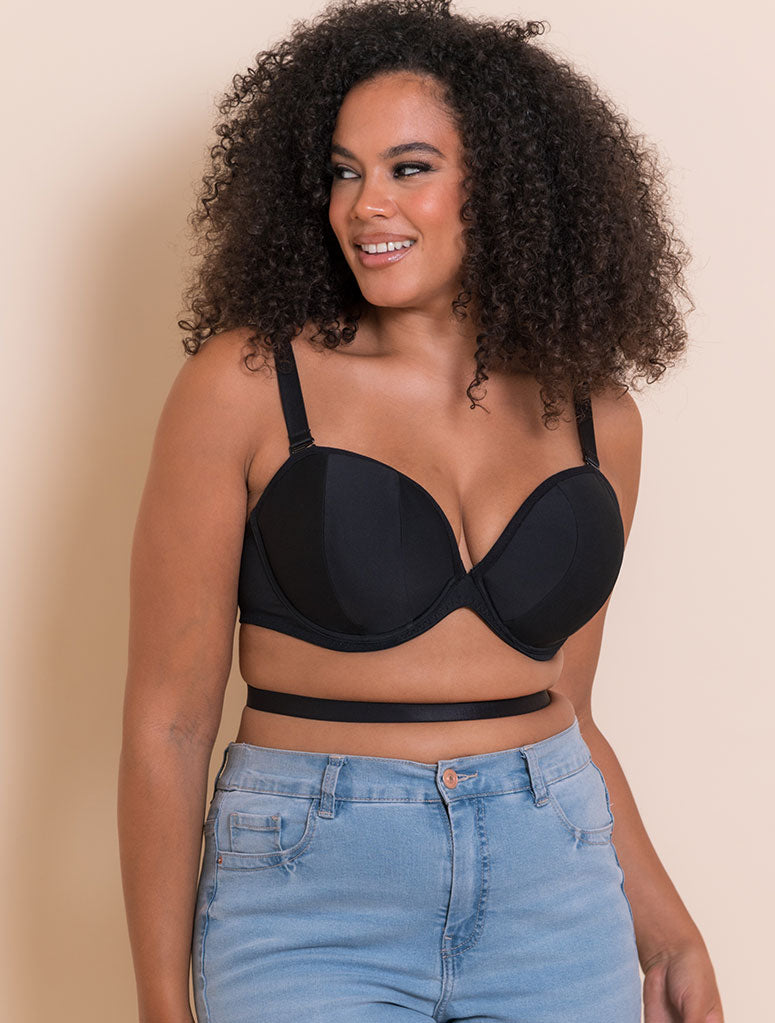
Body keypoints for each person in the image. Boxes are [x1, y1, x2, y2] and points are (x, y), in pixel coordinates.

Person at [118, 1, 724, 1021]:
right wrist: (158, 1005)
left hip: (555, 889)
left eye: (409, 168)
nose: (366, 206)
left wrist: (666, 934)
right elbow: (169, 725)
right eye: (344, 172)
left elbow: (569, 709)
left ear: (503, 187)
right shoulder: (249, 385)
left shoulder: (597, 419)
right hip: (309, 900)